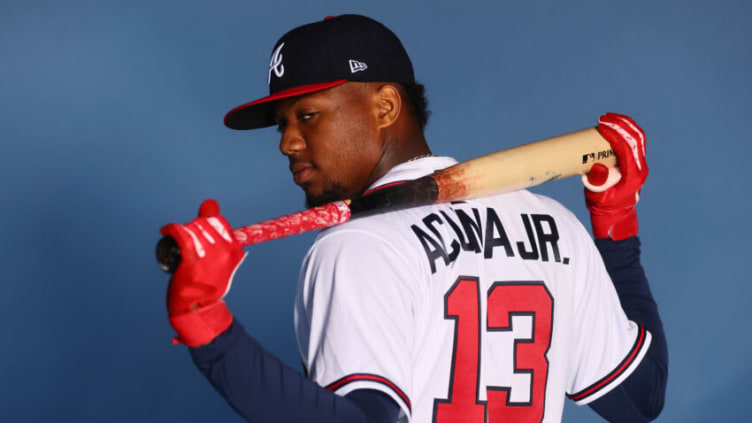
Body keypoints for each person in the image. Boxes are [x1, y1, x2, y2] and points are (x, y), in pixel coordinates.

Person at [160, 14, 667, 423]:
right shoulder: (553, 226)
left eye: (308, 115)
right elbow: (638, 398)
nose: (287, 142)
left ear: (384, 106)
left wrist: (211, 330)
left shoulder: (355, 248)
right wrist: (615, 228)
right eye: (283, 125)